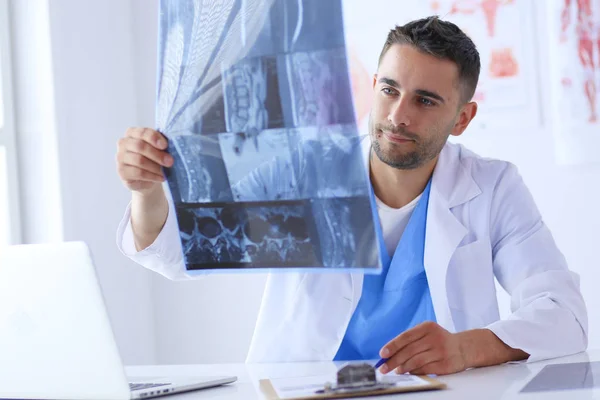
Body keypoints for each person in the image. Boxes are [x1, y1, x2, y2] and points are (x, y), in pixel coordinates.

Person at [115, 16, 588, 375]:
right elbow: (179, 252)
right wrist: (147, 190)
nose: (398, 115)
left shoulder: (493, 187)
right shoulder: (304, 173)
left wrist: (466, 347)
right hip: (301, 387)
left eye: (425, 100)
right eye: (389, 89)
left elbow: (564, 316)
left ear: (462, 118)